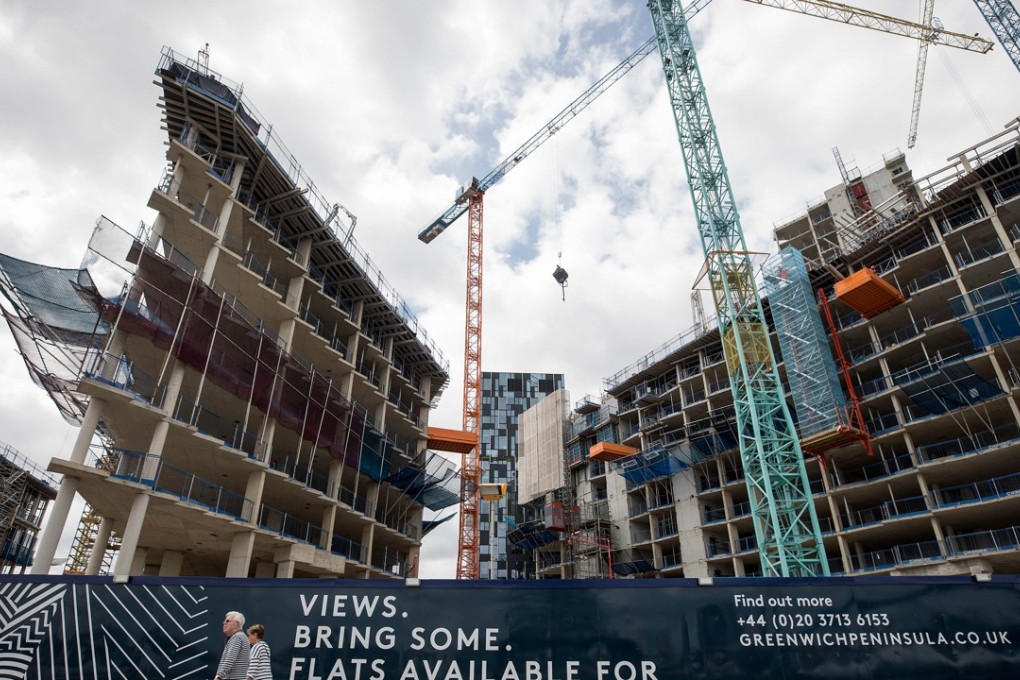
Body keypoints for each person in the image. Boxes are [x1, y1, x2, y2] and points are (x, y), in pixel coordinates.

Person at [215, 611, 249, 680]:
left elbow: (230, 660)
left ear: (236, 625)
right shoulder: (241, 636)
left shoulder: (237, 637)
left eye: (227, 621)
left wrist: (219, 676)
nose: (224, 623)